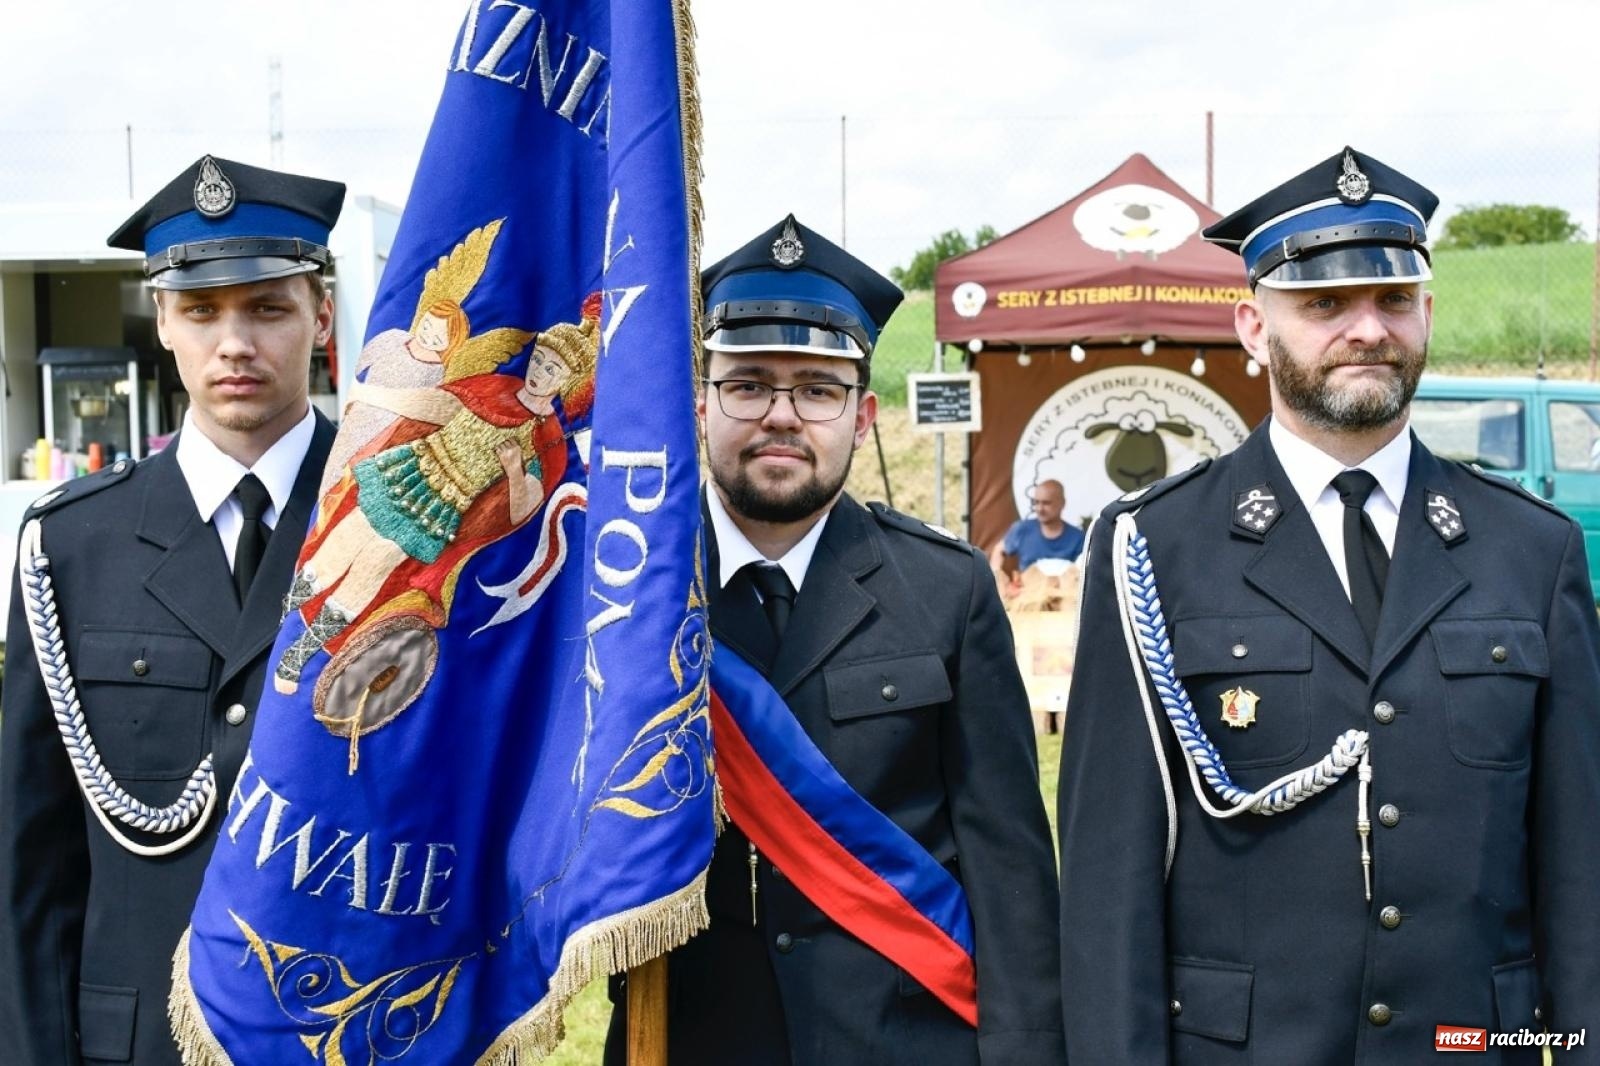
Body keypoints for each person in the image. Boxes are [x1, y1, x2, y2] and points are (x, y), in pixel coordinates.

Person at [1058, 146, 1600, 1064]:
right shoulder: (1153, 546)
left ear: (1426, 313)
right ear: (1252, 327)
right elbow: (1110, 881)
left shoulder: (1532, 550)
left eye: (1392, 300)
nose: (1367, 329)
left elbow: (1581, 871)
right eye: (1323, 305)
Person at [604, 215, 1065, 1065]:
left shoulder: (945, 590)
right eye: (747, 385)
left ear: (863, 417)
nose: (782, 416)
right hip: (690, 1035)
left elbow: (1010, 871)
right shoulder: (626, 593)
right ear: (697, 403)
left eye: (818, 388)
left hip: (903, 1038)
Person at [0, 155, 343, 1065]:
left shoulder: (401, 526)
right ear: (162, 320)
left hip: (342, 1035)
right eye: (201, 311)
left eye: (268, 306)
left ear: (323, 315)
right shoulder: (72, 547)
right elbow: (30, 869)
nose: (235, 342)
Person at [990, 478, 1084, 589]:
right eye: (1036, 502)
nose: (1040, 508)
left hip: (1064, 599)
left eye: (1046, 503)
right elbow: (999, 550)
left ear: (1062, 503)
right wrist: (997, 579)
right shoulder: (1021, 529)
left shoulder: (1079, 538)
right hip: (1027, 599)